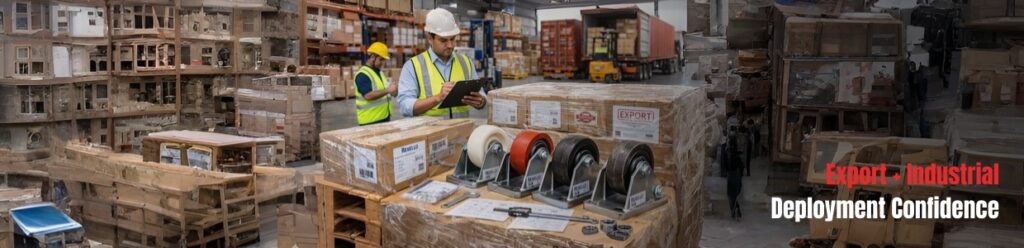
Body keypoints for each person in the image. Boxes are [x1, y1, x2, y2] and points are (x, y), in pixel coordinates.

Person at [396, 8, 486, 118]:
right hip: (430, 134)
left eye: (452, 39)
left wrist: (481, 101)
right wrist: (437, 98)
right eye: (443, 40)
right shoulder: (413, 66)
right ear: (430, 38)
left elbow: (481, 95)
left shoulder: (465, 62)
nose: (450, 45)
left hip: (461, 133)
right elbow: (404, 106)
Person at [354, 42, 398, 126]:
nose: (383, 63)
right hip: (370, 121)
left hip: (383, 118)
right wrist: (388, 90)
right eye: (381, 60)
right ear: (372, 57)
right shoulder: (362, 74)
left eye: (383, 60)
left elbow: (384, 91)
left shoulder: (379, 72)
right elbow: (368, 96)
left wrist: (393, 91)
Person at [726, 135, 743, 220]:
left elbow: (726, 166)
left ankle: (734, 210)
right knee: (734, 194)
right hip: (736, 175)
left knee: (730, 195)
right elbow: (741, 167)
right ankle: (735, 209)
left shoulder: (728, 153)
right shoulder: (737, 155)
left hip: (731, 175)